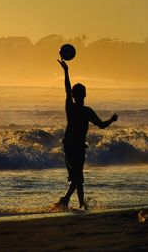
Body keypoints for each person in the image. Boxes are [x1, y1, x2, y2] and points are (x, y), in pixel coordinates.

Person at [56, 59, 118, 209]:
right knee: (77, 177)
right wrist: (111, 120)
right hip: (73, 147)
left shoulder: (73, 107)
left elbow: (67, 88)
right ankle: (68, 201)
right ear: (85, 95)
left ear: (74, 95)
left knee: (78, 178)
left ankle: (80, 204)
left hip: (74, 147)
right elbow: (103, 126)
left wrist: (66, 71)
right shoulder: (83, 110)